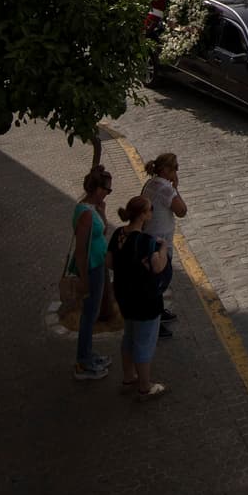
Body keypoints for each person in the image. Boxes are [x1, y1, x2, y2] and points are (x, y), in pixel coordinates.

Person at [108, 196, 169, 399]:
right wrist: (163, 249)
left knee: (129, 336)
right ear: (143, 215)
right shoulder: (146, 241)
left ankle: (128, 376)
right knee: (144, 341)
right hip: (145, 298)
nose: (152, 213)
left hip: (124, 295)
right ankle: (145, 386)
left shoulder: (118, 234)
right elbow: (158, 266)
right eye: (150, 209)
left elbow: (109, 261)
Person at [69, 167, 113, 381]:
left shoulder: (93, 208)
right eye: (107, 189)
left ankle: (87, 354)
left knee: (92, 314)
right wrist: (84, 279)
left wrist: (103, 211)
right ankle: (82, 362)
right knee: (89, 315)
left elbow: (103, 230)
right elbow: (80, 250)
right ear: (96, 188)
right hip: (91, 268)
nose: (108, 192)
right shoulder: (85, 214)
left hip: (98, 264)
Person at [140, 153, 187, 336]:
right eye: (175, 167)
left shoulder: (150, 184)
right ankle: (154, 322)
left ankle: (159, 311)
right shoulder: (166, 189)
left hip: (149, 237)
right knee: (158, 282)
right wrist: (176, 188)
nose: (177, 170)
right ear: (165, 170)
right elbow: (182, 210)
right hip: (159, 242)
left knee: (155, 280)